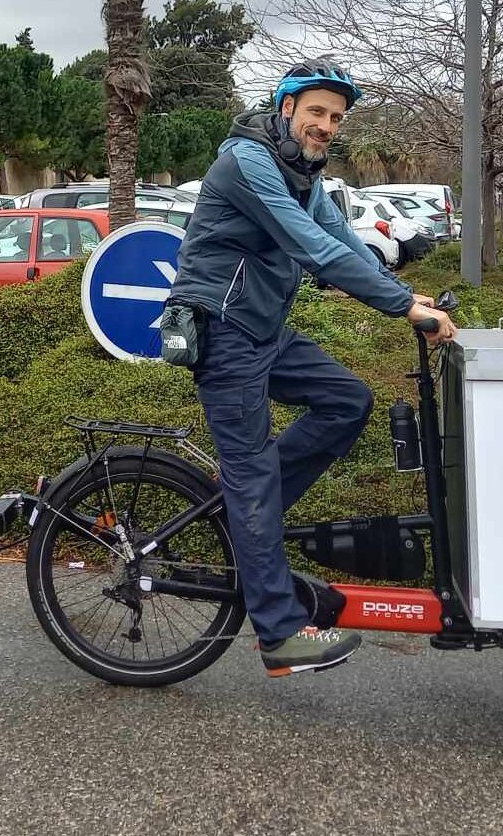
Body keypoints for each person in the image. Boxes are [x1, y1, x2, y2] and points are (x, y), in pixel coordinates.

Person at [166, 58, 456, 677]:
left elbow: (343, 239)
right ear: (286, 107)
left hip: (263, 328)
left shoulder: (307, 172)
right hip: (223, 328)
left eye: (336, 117)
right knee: (250, 474)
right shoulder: (247, 161)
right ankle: (278, 633)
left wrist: (403, 292)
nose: (325, 125)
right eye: (316, 112)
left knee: (347, 401)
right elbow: (311, 246)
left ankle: (248, 509)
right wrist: (399, 307)